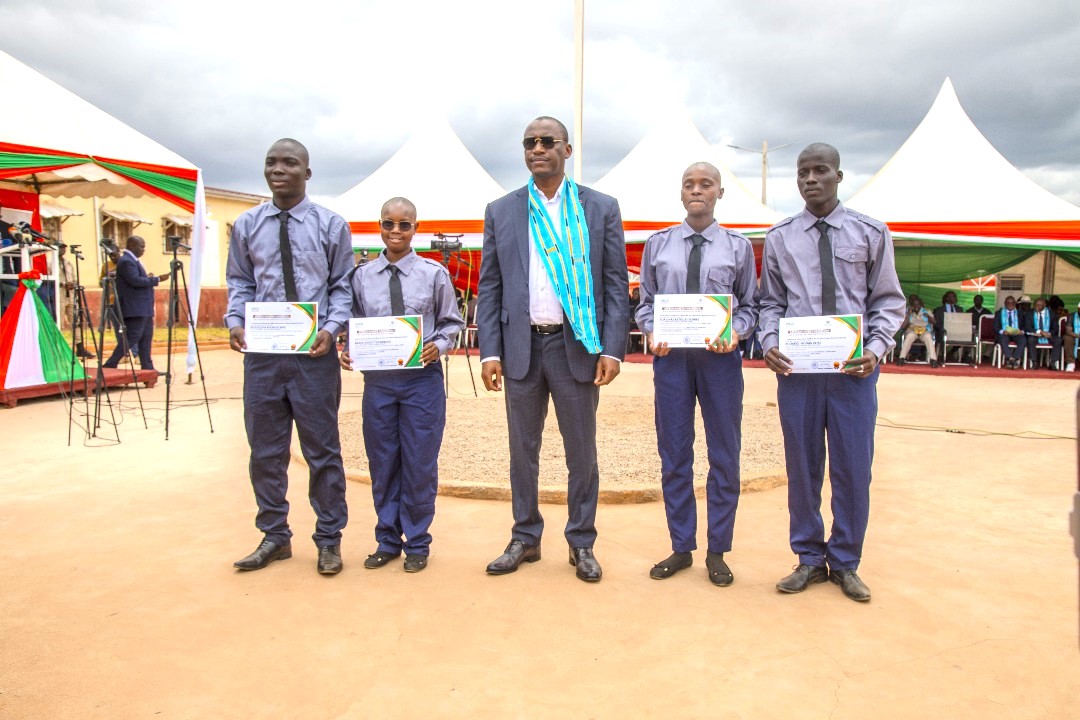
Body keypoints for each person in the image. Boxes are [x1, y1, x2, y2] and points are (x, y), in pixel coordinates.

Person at [477, 116, 629, 583]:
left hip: (575, 346)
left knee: (581, 452)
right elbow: (490, 286)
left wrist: (614, 349)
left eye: (547, 142)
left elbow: (615, 284)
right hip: (522, 348)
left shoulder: (599, 207)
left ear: (567, 150)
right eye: (529, 143)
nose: (537, 148)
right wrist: (490, 351)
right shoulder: (502, 210)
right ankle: (526, 536)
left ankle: (581, 541)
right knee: (522, 451)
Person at [758, 143, 905, 603]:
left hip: (853, 374)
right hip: (799, 375)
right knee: (802, 468)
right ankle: (807, 557)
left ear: (839, 176)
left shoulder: (870, 232)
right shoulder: (780, 237)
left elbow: (888, 301)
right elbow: (771, 304)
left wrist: (877, 350)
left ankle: (845, 561)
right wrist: (769, 343)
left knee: (853, 469)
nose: (810, 179)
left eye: (820, 170)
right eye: (802, 172)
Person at [226, 138, 352, 575]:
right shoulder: (246, 225)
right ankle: (274, 535)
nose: (278, 169)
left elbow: (342, 287)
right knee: (265, 451)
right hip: (262, 357)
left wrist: (332, 329)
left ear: (307, 173)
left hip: (314, 357)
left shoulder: (331, 226)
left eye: (289, 163)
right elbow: (240, 282)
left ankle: (329, 539)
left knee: (322, 451)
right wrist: (234, 321)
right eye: (271, 162)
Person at [635, 162, 757, 586]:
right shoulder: (658, 244)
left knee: (724, 453)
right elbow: (646, 302)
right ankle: (681, 546)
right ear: (681, 192)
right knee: (674, 453)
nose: (697, 190)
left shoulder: (738, 247)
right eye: (689, 184)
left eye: (706, 184)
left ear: (720, 192)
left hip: (719, 360)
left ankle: (718, 550)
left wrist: (736, 332)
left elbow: (751, 307)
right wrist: (651, 331)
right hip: (672, 361)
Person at [339, 197, 464, 573]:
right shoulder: (360, 277)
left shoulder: (433, 274)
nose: (396, 231)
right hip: (378, 383)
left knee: (419, 463)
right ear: (379, 226)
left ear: (416, 228)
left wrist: (436, 346)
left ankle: (418, 542)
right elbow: (352, 324)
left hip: (420, 382)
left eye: (404, 225)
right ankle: (387, 540)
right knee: (383, 462)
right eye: (388, 224)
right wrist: (347, 350)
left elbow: (451, 323)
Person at [101, 235, 168, 371]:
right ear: (132, 245)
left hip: (143, 307)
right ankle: (110, 364)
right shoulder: (126, 261)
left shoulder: (133, 261)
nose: (143, 250)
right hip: (135, 308)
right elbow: (135, 281)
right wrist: (156, 279)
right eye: (141, 246)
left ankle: (147, 367)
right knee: (132, 338)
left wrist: (148, 278)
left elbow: (137, 279)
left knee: (146, 338)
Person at [895, 295, 937, 366]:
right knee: (909, 336)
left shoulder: (926, 311)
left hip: (924, 331)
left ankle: (933, 360)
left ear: (921, 305)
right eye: (914, 305)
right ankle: (901, 358)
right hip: (912, 330)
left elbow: (934, 322)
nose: (916, 306)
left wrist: (928, 316)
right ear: (912, 305)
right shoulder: (909, 312)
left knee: (928, 337)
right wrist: (909, 314)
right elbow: (903, 326)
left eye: (918, 305)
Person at [1025, 297, 1062, 369]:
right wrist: (1040, 332)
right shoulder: (1029, 313)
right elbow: (1027, 327)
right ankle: (1034, 362)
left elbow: (1055, 328)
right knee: (1030, 340)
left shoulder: (1052, 314)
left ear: (1044, 305)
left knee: (1058, 340)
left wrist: (1048, 333)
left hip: (1048, 335)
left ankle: (1052, 363)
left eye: (1039, 305)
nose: (1037, 307)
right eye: (1036, 305)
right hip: (1035, 334)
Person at [994, 295, 1026, 369]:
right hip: (1005, 334)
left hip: (1017, 334)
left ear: (1015, 304)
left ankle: (1015, 358)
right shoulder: (999, 313)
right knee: (1002, 338)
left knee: (1023, 339)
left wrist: (1022, 331)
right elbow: (995, 327)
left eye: (1012, 303)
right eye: (1008, 303)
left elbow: (1024, 325)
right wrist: (1003, 331)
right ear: (1004, 303)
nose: (1010, 304)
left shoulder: (1020, 313)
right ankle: (1010, 358)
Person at [933, 291, 963, 361]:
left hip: (957, 330)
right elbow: (936, 324)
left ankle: (952, 353)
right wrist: (944, 328)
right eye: (953, 296)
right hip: (943, 331)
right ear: (947, 298)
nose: (955, 298)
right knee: (942, 332)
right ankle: (944, 355)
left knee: (967, 334)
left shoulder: (960, 309)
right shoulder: (939, 310)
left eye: (955, 296)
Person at [1063, 300, 1080, 372]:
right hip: (1075, 336)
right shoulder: (1072, 316)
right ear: (1078, 309)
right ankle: (1070, 363)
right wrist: (1078, 336)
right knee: (1067, 338)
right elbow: (1068, 331)